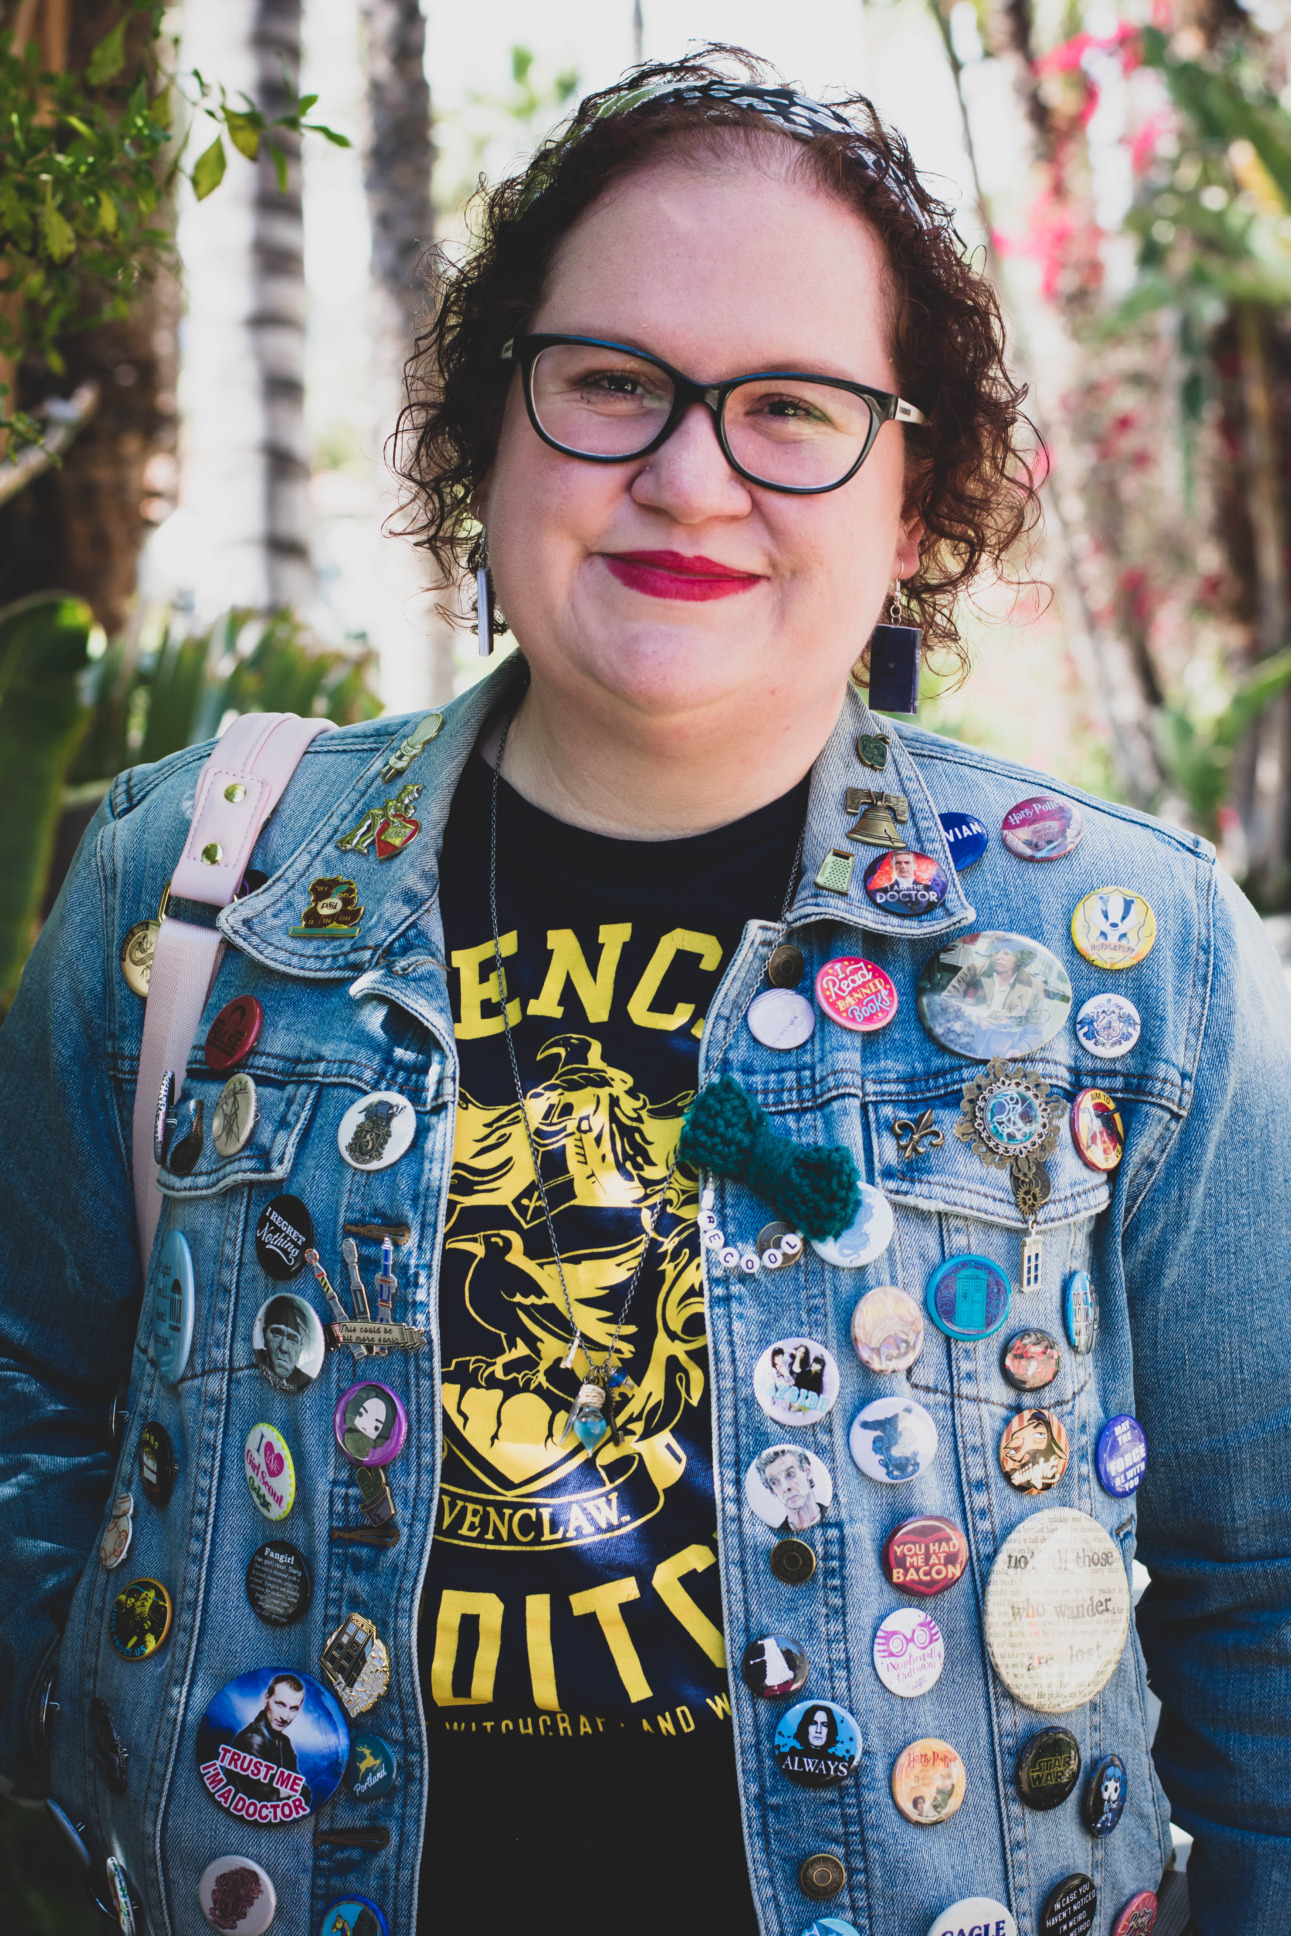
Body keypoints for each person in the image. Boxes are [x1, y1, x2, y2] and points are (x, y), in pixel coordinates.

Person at [1, 42, 1287, 1936]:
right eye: (610, 382)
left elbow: (1260, 1583)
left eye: (790, 409)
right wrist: (89, 1785)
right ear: (490, 434)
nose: (689, 477)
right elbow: (33, 1400)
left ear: (911, 501)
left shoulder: (1130, 949)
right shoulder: (193, 888)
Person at [226, 1674, 311, 1810]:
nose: (285, 1717)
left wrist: (283, 1792)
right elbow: (262, 1799)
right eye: (280, 1704)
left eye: (293, 1708)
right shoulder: (252, 1740)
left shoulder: (284, 1742)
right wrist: (284, 1792)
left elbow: (304, 1793)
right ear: (266, 1699)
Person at [755, 1444, 823, 1532]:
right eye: (775, 1482)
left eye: (790, 1474)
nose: (785, 1487)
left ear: (807, 1472)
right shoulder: (777, 1532)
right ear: (772, 1491)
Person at [255, 1294, 313, 1394]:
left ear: (301, 1348)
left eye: (292, 1340)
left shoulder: (305, 1378)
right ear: (265, 1335)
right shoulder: (255, 1359)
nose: (283, 1347)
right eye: (277, 1334)